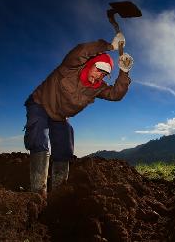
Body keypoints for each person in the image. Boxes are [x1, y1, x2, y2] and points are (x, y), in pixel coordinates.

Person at [23, 32, 133, 197]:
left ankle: (57, 194)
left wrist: (124, 71)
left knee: (65, 146)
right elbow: (82, 50)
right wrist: (110, 46)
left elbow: (115, 94)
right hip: (41, 103)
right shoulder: (71, 67)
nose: (99, 76)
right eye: (98, 70)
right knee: (39, 137)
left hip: (59, 116)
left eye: (104, 74)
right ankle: (38, 194)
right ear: (91, 64)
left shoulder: (98, 88)